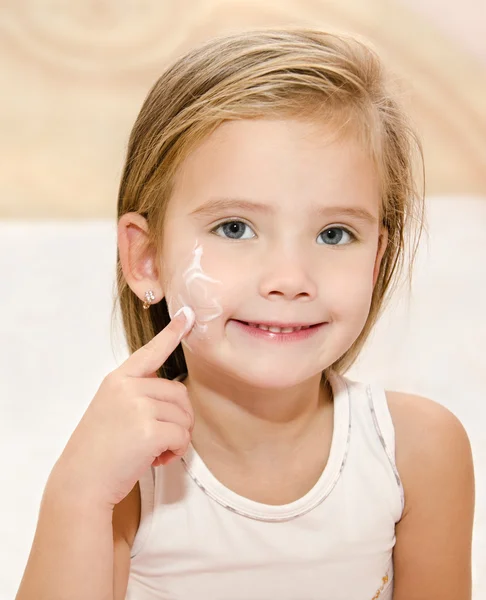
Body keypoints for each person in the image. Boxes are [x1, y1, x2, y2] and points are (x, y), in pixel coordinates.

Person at [15, 28, 475, 600]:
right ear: (148, 258)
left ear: (377, 260)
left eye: (335, 234)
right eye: (235, 228)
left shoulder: (417, 452)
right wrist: (77, 493)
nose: (289, 279)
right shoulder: (126, 469)